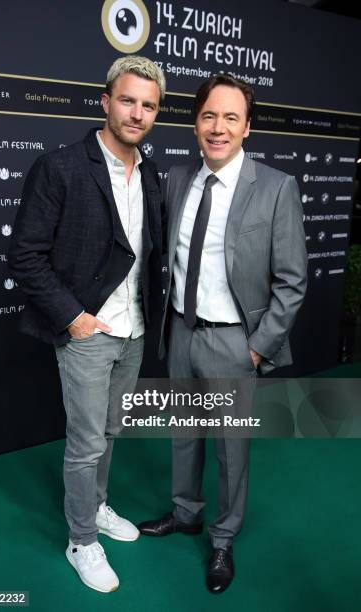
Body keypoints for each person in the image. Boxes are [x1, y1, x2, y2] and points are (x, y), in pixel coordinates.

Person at [138, 74, 307, 594]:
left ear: (247, 127)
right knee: (184, 435)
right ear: (195, 123)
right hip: (183, 334)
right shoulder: (176, 178)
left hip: (237, 342)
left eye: (231, 117)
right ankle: (185, 513)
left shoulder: (276, 187)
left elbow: (292, 282)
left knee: (232, 448)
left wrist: (257, 348)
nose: (218, 127)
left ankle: (224, 537)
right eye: (209, 115)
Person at [8, 55, 165, 593]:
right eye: (127, 100)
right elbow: (25, 255)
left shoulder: (153, 175)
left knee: (111, 432)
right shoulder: (62, 167)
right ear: (105, 101)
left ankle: (96, 508)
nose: (136, 112)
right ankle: (81, 540)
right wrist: (75, 318)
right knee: (85, 443)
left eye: (148, 105)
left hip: (136, 331)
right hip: (87, 331)